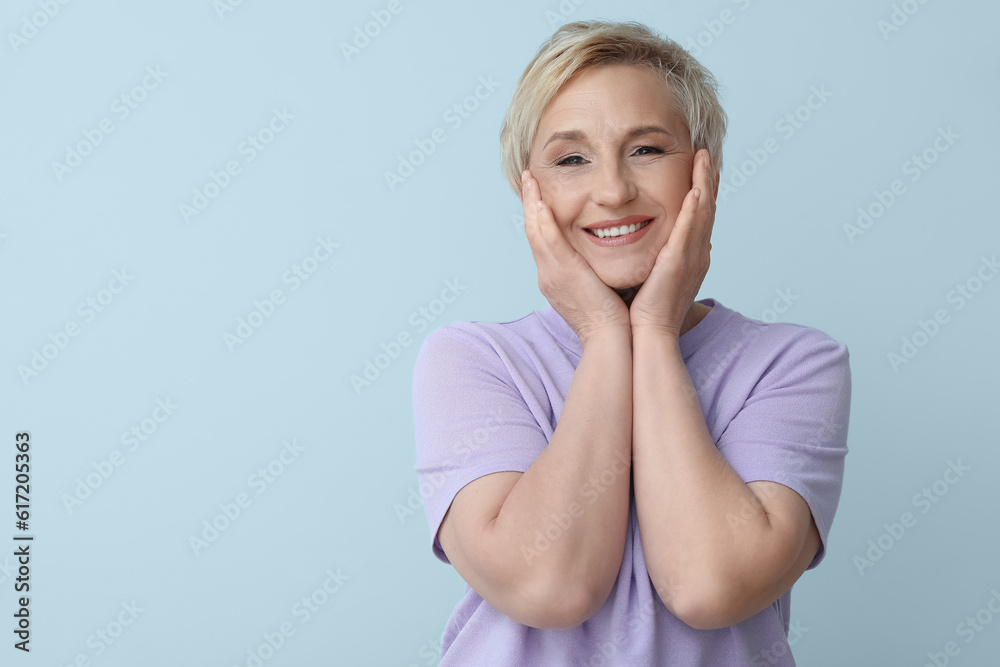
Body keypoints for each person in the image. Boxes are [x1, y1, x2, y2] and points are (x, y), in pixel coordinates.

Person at [412, 19, 850, 666]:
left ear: (706, 175)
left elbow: (709, 584)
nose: (613, 190)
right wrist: (603, 333)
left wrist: (652, 330)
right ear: (527, 191)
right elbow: (549, 584)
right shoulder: (471, 360)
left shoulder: (794, 364)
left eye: (647, 150)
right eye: (570, 159)